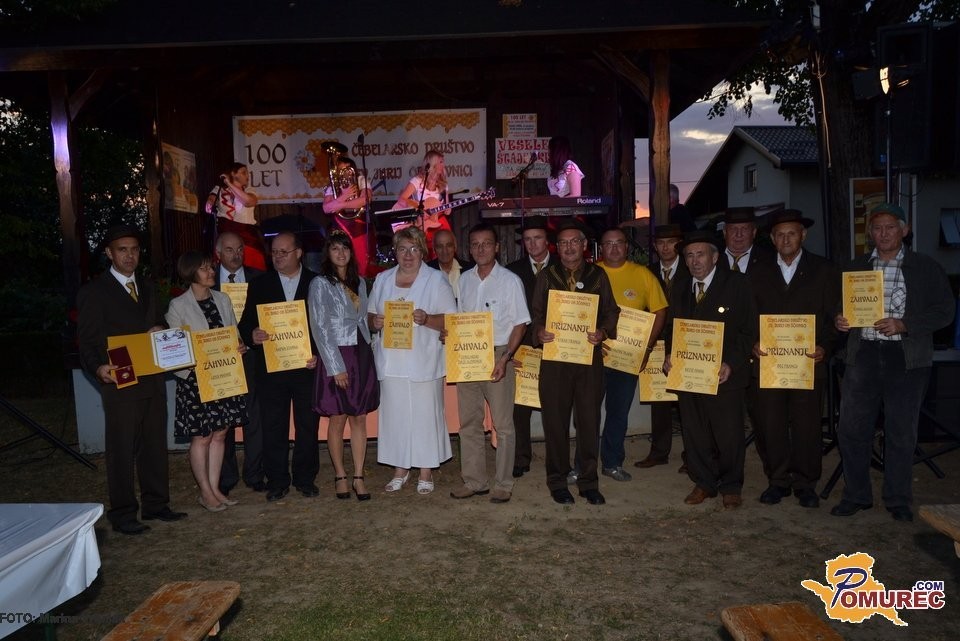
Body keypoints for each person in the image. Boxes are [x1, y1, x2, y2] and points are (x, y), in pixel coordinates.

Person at [832, 202, 954, 522]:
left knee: (901, 431)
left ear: (904, 231)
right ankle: (856, 495)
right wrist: (839, 319)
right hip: (863, 354)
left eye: (890, 227)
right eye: (877, 228)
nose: (883, 234)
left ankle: (898, 498)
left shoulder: (925, 267)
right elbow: (837, 305)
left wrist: (905, 324)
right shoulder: (855, 267)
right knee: (852, 428)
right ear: (870, 234)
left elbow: (945, 310)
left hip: (906, 357)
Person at [77, 224, 187, 535]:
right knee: (122, 447)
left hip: (151, 375)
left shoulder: (148, 287)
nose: (129, 255)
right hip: (119, 376)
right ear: (109, 253)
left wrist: (160, 329)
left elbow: (158, 323)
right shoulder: (93, 292)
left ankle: (156, 503)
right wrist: (98, 368)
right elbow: (86, 342)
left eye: (135, 249)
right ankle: (123, 512)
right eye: (122, 250)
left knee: (154, 443)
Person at [750, 210, 839, 509]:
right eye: (780, 234)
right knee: (770, 424)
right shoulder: (757, 271)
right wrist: (752, 343)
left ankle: (805, 483)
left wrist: (826, 346)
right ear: (772, 238)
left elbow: (836, 317)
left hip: (808, 363)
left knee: (807, 426)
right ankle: (777, 480)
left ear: (803, 235)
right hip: (769, 363)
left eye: (792, 233)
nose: (786, 239)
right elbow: (746, 315)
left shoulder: (824, 270)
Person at [663, 230, 757, 509]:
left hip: (724, 375)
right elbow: (672, 328)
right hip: (688, 374)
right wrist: (669, 354)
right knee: (695, 432)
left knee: (728, 434)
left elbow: (749, 330)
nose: (695, 261)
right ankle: (704, 482)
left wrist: (732, 363)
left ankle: (731, 485)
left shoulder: (737, 284)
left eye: (700, 254)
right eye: (689, 256)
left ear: (715, 257)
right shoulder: (680, 288)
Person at [532, 220, 620, 505]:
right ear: (557, 248)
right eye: (563, 242)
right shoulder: (547, 276)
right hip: (555, 361)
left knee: (589, 422)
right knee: (555, 423)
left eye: (574, 242)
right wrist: (539, 331)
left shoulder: (598, 275)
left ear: (584, 245)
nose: (569, 247)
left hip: (588, 361)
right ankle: (558, 481)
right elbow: (535, 314)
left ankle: (588, 482)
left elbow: (611, 312)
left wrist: (603, 332)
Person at [368, 227, 456, 494]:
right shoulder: (382, 279)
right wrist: (375, 322)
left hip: (424, 360)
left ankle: (426, 470)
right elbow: (369, 317)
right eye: (403, 249)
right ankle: (400, 468)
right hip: (391, 361)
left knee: (425, 416)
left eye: (414, 249)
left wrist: (427, 319)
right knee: (395, 417)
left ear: (423, 252)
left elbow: (452, 320)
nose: (408, 255)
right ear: (395, 252)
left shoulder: (436, 280)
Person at [237, 231, 321, 502]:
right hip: (271, 369)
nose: (278, 257)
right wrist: (253, 335)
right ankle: (277, 480)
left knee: (307, 425)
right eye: (274, 252)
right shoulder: (259, 284)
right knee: (273, 427)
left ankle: (305, 478)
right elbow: (245, 323)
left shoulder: (317, 282)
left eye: (284, 252)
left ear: (299, 253)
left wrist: (318, 354)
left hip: (307, 367)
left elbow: (326, 325)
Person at [450, 223, 529, 504]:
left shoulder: (510, 281)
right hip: (468, 356)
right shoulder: (464, 280)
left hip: (498, 355)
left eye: (486, 243)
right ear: (469, 249)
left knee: (503, 424)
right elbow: (461, 319)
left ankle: (504, 483)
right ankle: (475, 481)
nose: (480, 248)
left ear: (497, 247)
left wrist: (506, 357)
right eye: (475, 244)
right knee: (469, 422)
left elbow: (520, 323)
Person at [166, 251, 248, 512]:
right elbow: (175, 350)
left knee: (221, 433)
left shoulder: (222, 299)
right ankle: (204, 491)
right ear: (191, 273)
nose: (211, 272)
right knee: (202, 436)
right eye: (204, 269)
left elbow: (234, 334)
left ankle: (215, 489)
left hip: (224, 376)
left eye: (211, 268)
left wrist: (240, 346)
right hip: (195, 380)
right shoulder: (178, 306)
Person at [308, 230, 380, 502]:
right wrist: (335, 366)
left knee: (359, 417)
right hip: (336, 355)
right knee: (337, 418)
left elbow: (362, 320)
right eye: (335, 248)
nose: (341, 253)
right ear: (328, 253)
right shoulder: (320, 284)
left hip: (360, 353)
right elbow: (320, 327)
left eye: (345, 248)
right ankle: (340, 475)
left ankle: (359, 476)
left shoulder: (359, 281)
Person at [596, 226, 668, 481]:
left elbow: (660, 311)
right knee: (587, 412)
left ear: (627, 247)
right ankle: (583, 464)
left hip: (627, 358)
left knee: (618, 412)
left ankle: (612, 462)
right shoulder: (591, 273)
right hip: (594, 355)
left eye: (619, 243)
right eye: (608, 243)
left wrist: (647, 347)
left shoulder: (642, 274)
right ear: (601, 248)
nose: (614, 248)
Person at [213, 231, 266, 495]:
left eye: (240, 249)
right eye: (229, 250)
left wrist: (253, 335)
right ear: (218, 253)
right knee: (224, 416)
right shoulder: (207, 279)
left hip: (252, 356)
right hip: (220, 358)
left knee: (254, 415)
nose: (236, 255)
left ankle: (254, 473)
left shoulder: (260, 278)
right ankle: (226, 476)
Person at [636, 224, 689, 471]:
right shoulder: (647, 272)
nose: (666, 247)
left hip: (685, 341)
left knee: (688, 402)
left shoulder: (692, 269)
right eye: (661, 243)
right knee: (659, 400)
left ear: (680, 244)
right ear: (655, 247)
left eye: (671, 242)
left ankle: (693, 455)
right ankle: (659, 452)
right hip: (656, 342)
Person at [506, 216, 555, 478]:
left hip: (556, 345)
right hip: (523, 346)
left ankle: (556, 458)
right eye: (527, 239)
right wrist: (508, 351)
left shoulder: (563, 267)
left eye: (537, 238)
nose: (532, 244)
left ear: (547, 241)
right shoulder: (512, 271)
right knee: (520, 407)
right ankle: (521, 457)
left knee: (555, 405)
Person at [206, 162, 265, 271]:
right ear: (233, 173)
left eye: (247, 173)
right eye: (244, 172)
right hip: (226, 240)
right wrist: (210, 204)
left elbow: (248, 202)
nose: (247, 176)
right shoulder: (219, 189)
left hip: (247, 240)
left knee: (251, 271)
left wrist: (229, 184)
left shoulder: (249, 191)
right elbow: (209, 204)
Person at [322, 155, 374, 277]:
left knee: (361, 260)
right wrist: (345, 196)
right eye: (341, 170)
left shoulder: (361, 180)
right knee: (339, 258)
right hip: (339, 225)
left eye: (348, 169)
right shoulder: (333, 185)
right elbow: (326, 208)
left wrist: (339, 205)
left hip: (358, 226)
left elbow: (364, 200)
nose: (345, 173)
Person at [392, 149, 450, 256]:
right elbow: (402, 199)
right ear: (433, 163)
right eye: (441, 162)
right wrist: (418, 209)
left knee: (445, 235)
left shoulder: (444, 185)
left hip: (435, 222)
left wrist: (447, 210)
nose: (443, 165)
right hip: (419, 223)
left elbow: (446, 209)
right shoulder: (417, 181)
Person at [426, 229, 474, 302]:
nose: (444, 251)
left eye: (449, 245)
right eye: (440, 246)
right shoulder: (426, 271)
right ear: (434, 249)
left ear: (455, 247)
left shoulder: (470, 269)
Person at [719, 207, 771, 274]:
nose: (739, 234)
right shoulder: (712, 260)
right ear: (724, 232)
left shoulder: (770, 260)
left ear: (754, 232)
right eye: (733, 229)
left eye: (745, 228)